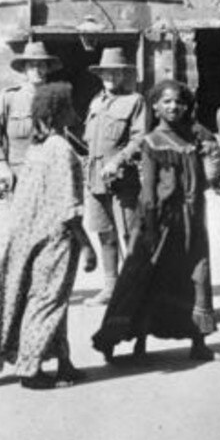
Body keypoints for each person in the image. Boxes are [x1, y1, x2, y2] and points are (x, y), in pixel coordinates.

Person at [0, 82, 97, 390]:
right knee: (47, 301)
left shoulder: (37, 147)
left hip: (27, 234)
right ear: (59, 112)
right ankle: (31, 369)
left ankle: (63, 362)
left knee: (45, 299)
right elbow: (69, 207)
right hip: (54, 238)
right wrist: (87, 247)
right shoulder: (61, 150)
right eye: (69, 106)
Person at [92, 78, 220, 364]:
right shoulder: (152, 140)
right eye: (166, 101)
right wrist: (150, 227)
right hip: (159, 221)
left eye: (179, 101)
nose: (173, 107)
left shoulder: (196, 134)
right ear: (155, 106)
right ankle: (120, 342)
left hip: (192, 220)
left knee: (196, 276)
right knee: (143, 275)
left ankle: (199, 344)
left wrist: (211, 168)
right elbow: (150, 189)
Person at [83, 46, 146, 306]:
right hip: (96, 177)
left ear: (124, 75)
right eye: (106, 72)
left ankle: (135, 288)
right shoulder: (95, 102)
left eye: (117, 72)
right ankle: (110, 286)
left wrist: (118, 161)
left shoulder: (135, 101)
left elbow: (140, 138)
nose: (111, 76)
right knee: (104, 231)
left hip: (123, 178)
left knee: (130, 233)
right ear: (100, 74)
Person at [0, 41, 62, 190]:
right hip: (19, 174)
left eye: (42, 65)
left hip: (49, 175)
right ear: (24, 70)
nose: (37, 70)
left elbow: (61, 141)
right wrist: (2, 166)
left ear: (47, 69)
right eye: (32, 65)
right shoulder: (9, 98)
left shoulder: (56, 100)